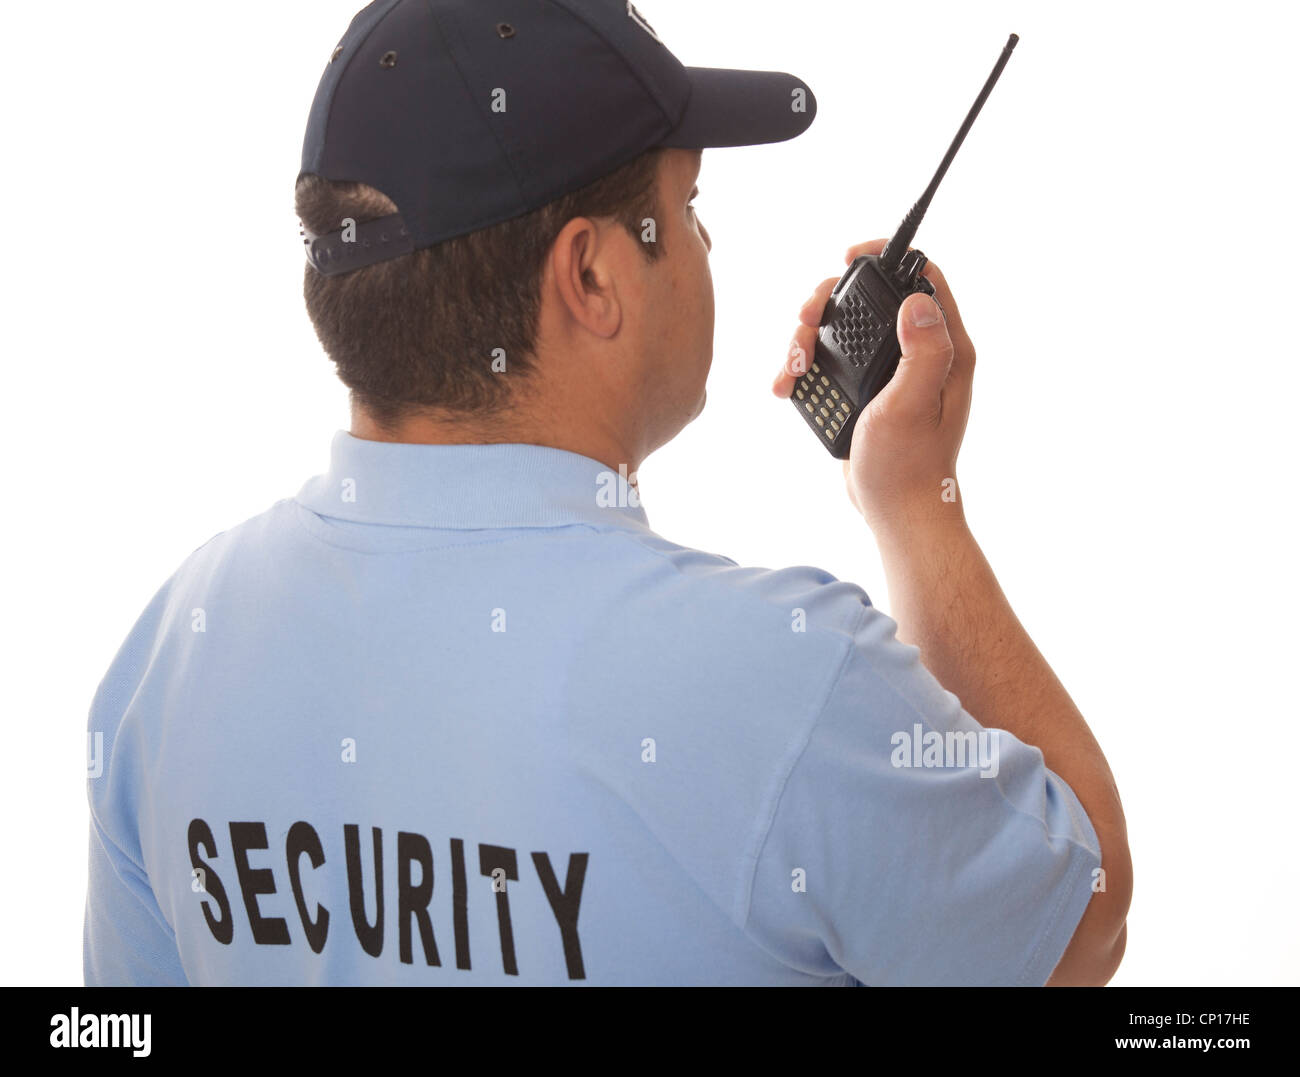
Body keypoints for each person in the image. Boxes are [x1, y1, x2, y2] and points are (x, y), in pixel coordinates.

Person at [84, 0, 1129, 986]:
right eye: (687, 206)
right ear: (589, 277)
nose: (705, 244)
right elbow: (1077, 917)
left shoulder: (174, 648)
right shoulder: (783, 682)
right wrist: (914, 503)